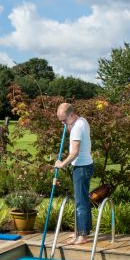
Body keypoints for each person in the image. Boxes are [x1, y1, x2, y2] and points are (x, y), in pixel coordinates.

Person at [54, 103, 94, 245]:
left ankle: (82, 236)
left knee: (80, 202)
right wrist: (68, 126)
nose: (63, 123)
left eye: (64, 120)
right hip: (85, 165)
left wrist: (62, 164)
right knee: (81, 199)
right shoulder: (81, 121)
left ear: (71, 115)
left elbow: (75, 152)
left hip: (81, 168)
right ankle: (80, 231)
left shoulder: (77, 127)